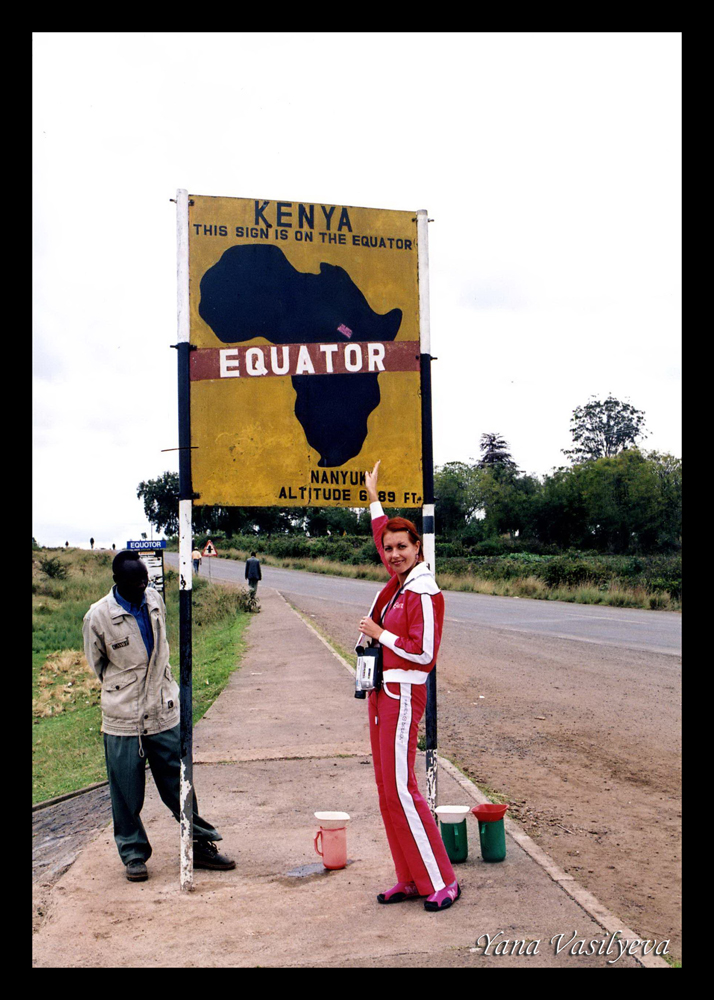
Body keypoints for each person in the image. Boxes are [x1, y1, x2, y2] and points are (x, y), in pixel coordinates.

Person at [82, 550, 235, 882]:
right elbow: (98, 666)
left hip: (163, 710)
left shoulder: (153, 600)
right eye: (136, 581)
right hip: (123, 719)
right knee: (125, 791)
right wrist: (125, 691)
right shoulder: (97, 617)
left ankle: (199, 844)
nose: (143, 585)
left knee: (180, 783)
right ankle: (134, 854)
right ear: (117, 582)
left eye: (145, 579)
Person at [356, 461, 460, 912]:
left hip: (403, 694)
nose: (394, 553)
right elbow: (382, 535)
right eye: (390, 547)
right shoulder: (397, 583)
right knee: (385, 789)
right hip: (381, 693)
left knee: (402, 788)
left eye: (403, 546)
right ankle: (412, 878)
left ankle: (442, 880)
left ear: (419, 549)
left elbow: (425, 654)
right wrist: (373, 497)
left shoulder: (424, 592)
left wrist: (382, 636)